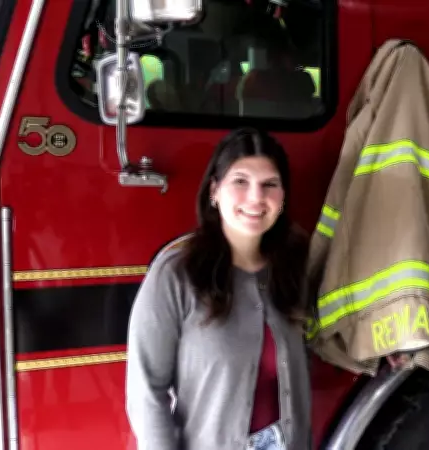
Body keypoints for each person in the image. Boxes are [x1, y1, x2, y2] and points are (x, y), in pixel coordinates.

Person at [125, 128, 312, 450]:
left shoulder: (297, 266)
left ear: (283, 197)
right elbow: (146, 390)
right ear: (214, 191)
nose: (256, 197)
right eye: (240, 181)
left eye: (270, 184)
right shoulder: (176, 274)